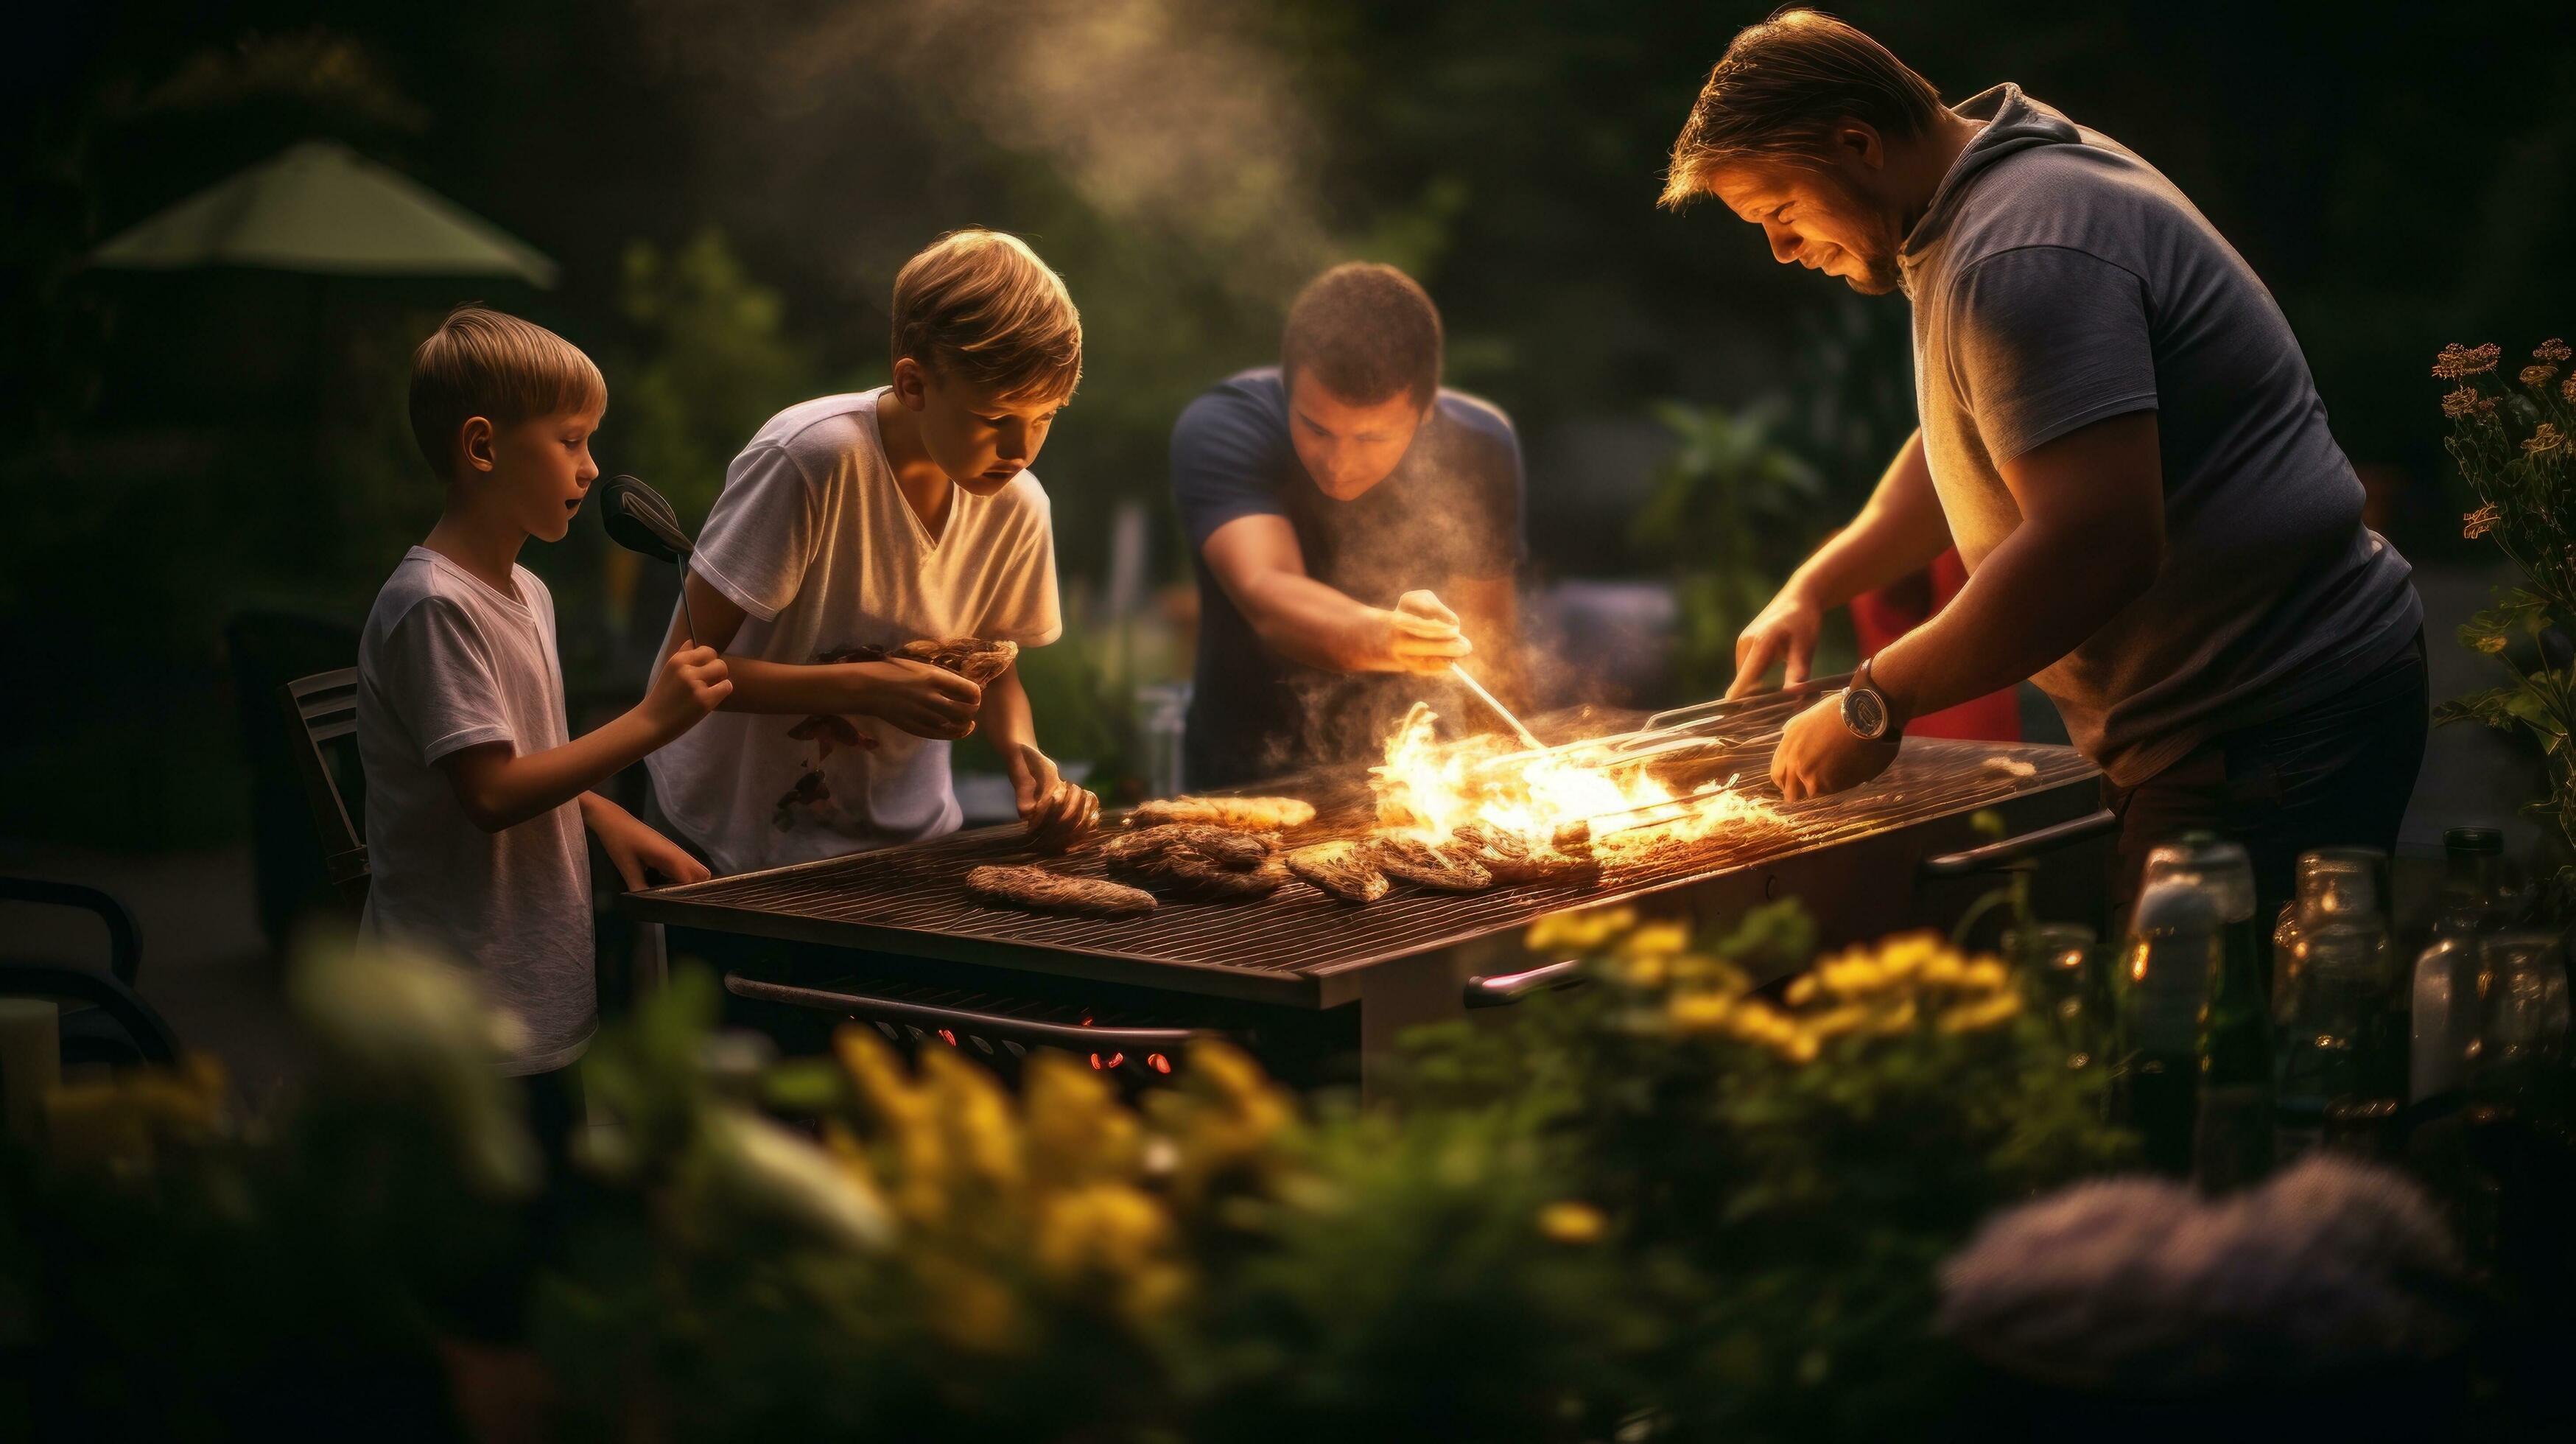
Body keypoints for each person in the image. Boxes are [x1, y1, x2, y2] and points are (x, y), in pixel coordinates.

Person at [1660, 11, 2424, 923]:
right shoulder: (1991, 188)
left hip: (2264, 721)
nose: (1780, 249)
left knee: (2202, 1045)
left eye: (1779, 211)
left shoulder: (2016, 250)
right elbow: (1987, 435)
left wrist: (1873, 702)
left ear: (1857, 143)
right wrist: (1816, 584)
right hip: (2248, 715)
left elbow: (2094, 542)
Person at [359, 306, 730, 1134]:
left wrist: (602, 816)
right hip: (459, 1009)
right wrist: (651, 720)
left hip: (534, 991)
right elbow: (488, 791)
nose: (593, 469)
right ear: (483, 447)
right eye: (571, 441)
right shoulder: (432, 607)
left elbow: (532, 760)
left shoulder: (528, 593)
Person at [645, 230, 1098, 876]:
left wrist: (1022, 752)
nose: (1019, 449)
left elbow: (997, 669)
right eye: (995, 417)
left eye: (1045, 417)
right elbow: (685, 671)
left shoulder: (1019, 503)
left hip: (906, 847)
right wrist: (867, 686)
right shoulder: (811, 459)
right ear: (913, 384)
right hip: (728, 839)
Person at [1172, 262, 1526, 788]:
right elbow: (1269, 591)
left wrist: (1509, 774)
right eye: (1316, 428)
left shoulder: (1478, 446)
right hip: (1247, 776)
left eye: (1372, 439)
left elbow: (1489, 646)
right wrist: (1386, 636)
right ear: (1287, 390)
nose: (1338, 462)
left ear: (1424, 409)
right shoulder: (1224, 426)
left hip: (1423, 778)